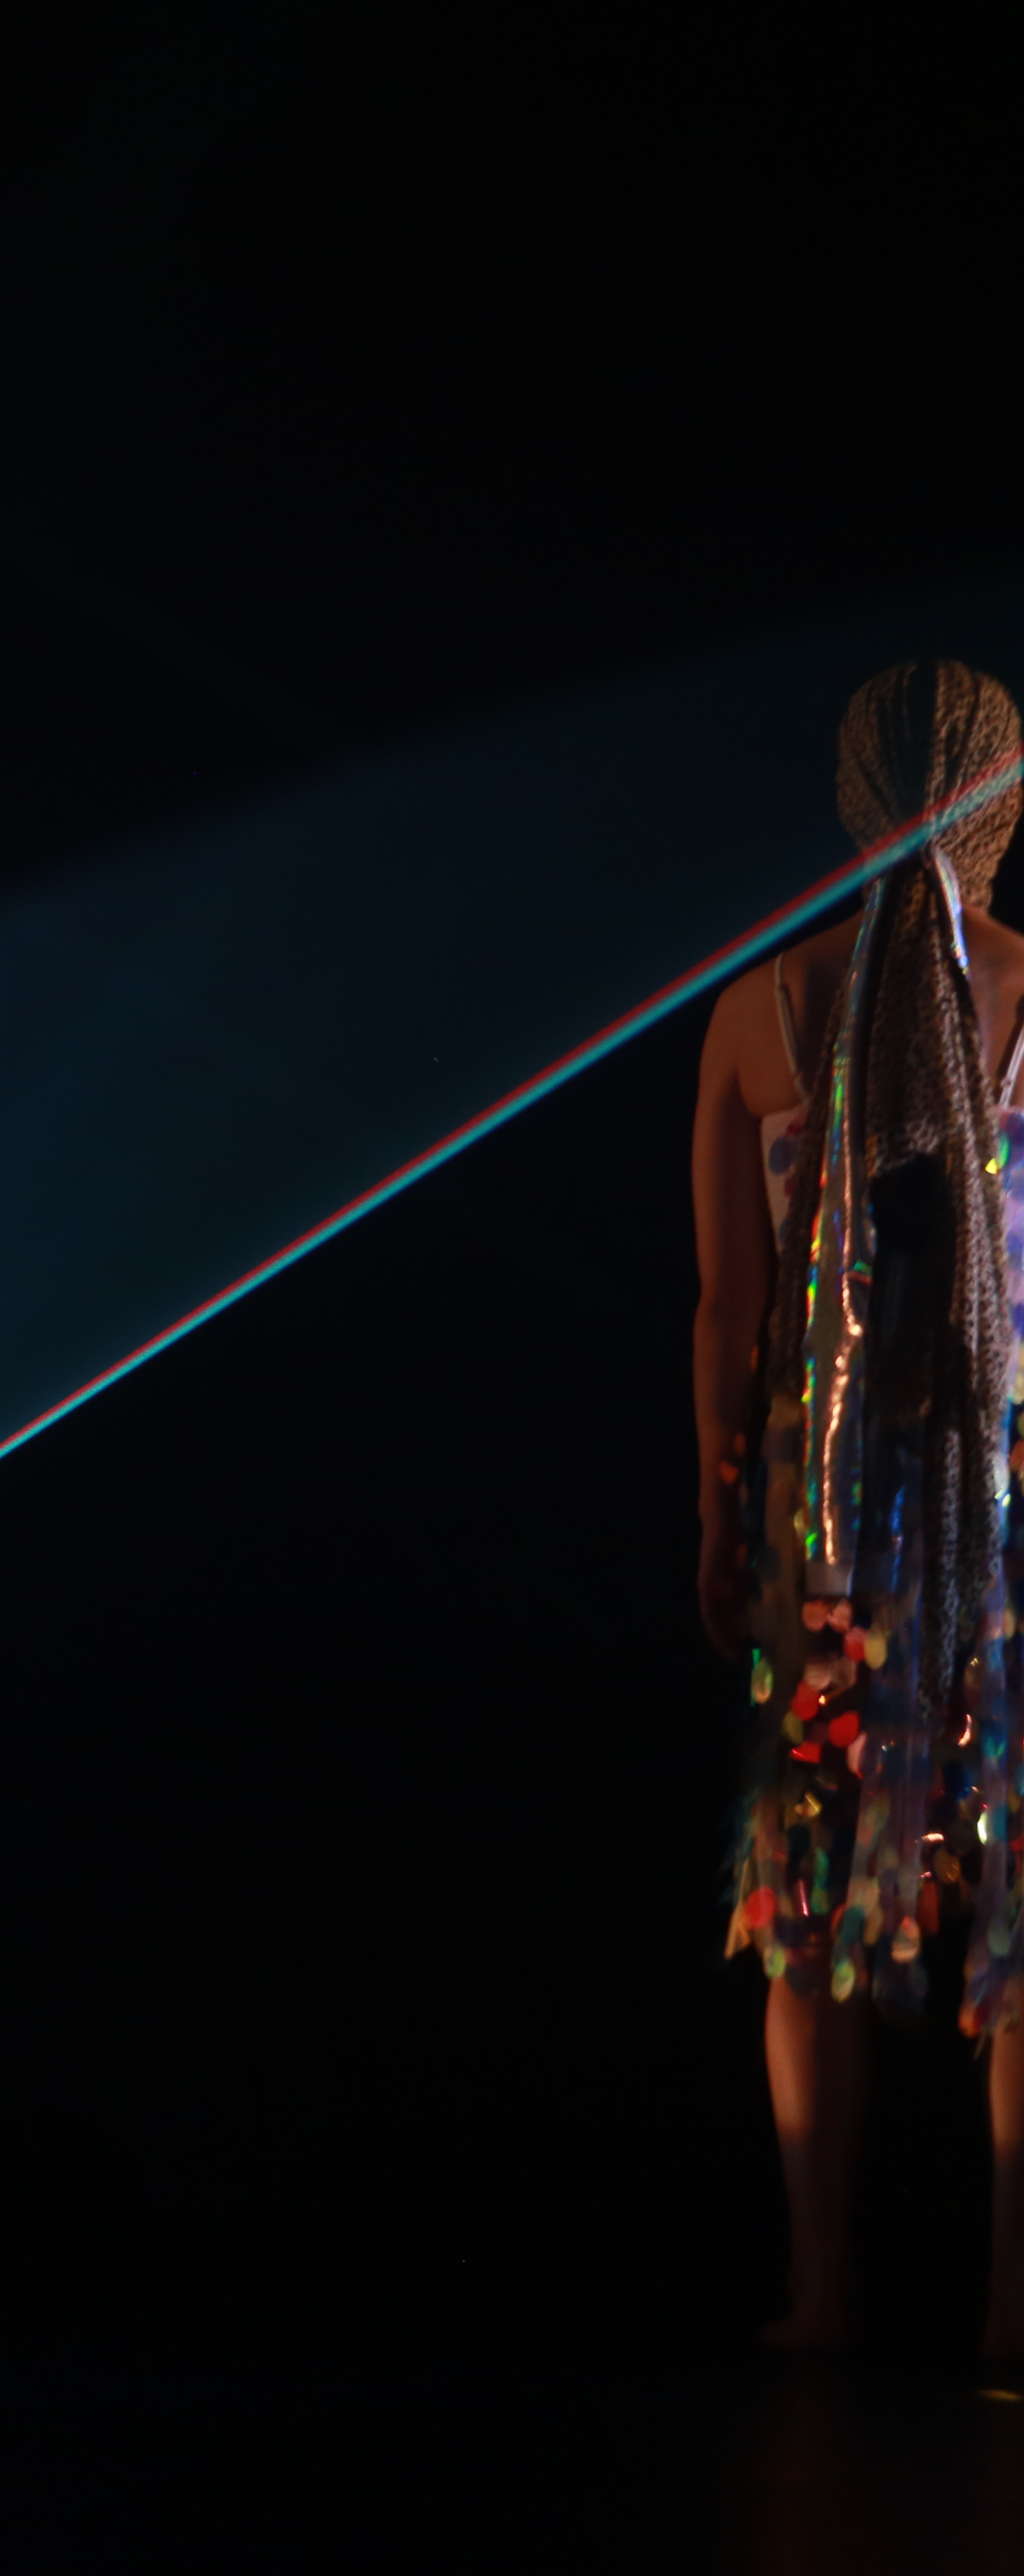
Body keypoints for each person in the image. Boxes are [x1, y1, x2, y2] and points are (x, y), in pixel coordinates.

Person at [694, 659, 1024, 2355]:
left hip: (823, 1540)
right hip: (1010, 1541)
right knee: (1017, 1905)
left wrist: (717, 1513)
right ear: (1003, 806)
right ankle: (1012, 2299)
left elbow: (727, 1315)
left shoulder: (763, 1008)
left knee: (809, 1910)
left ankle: (819, 2297)